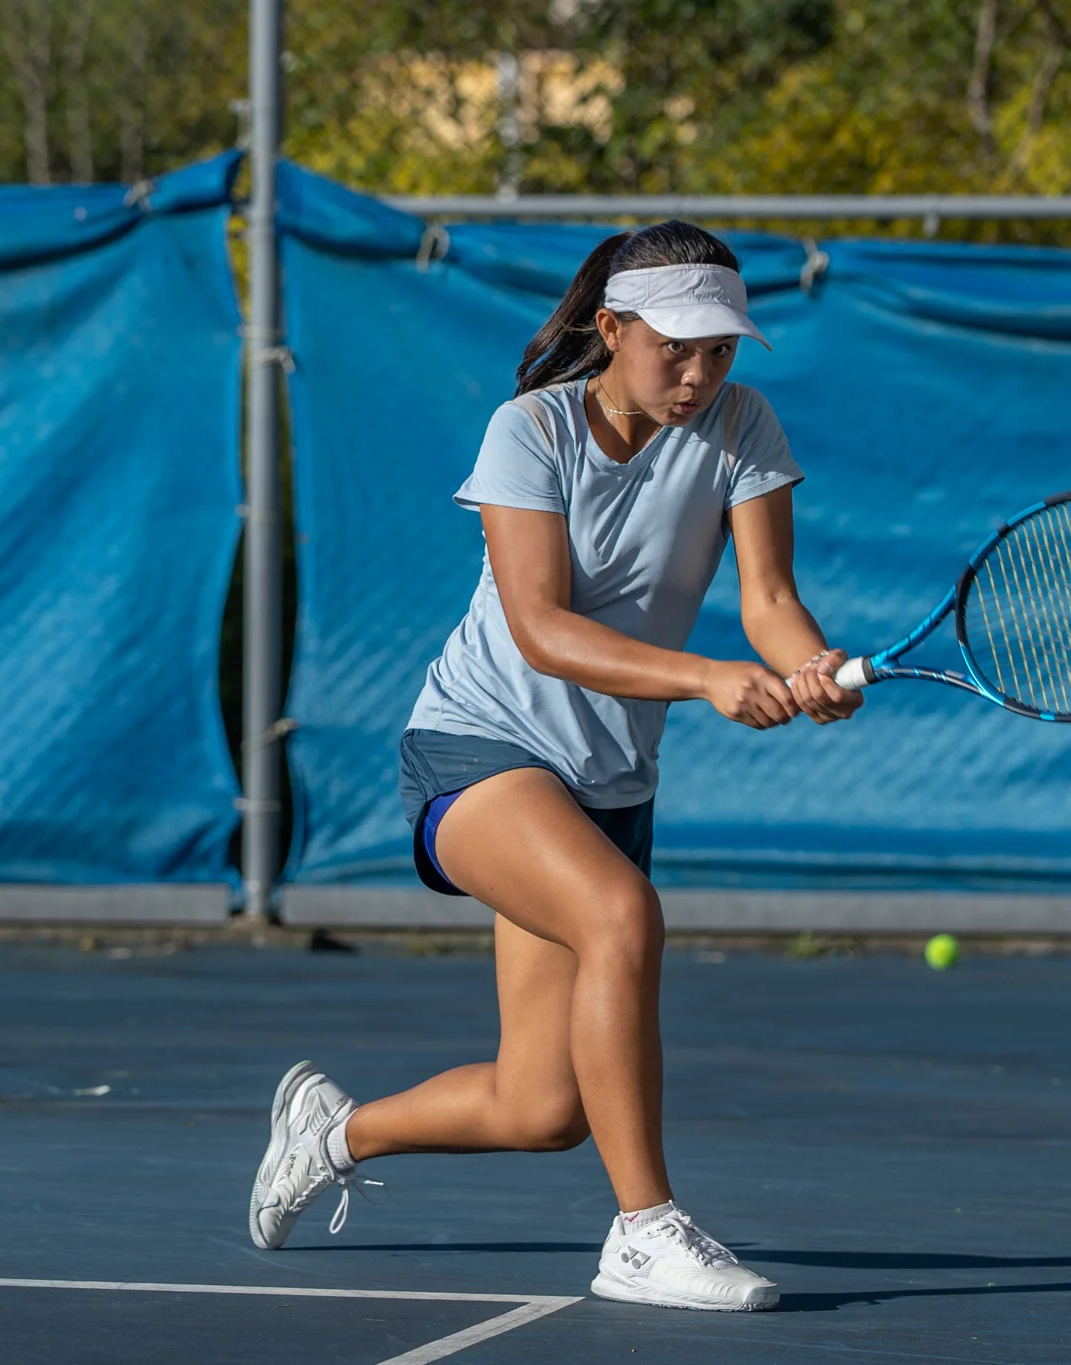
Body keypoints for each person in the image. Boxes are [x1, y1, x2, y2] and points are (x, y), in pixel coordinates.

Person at [246, 220, 859, 1312]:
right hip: (479, 745)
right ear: (611, 330)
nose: (699, 373)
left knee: (541, 1109)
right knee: (622, 916)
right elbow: (540, 627)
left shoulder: (743, 424)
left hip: (607, 779)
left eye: (719, 350)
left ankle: (332, 1133)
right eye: (675, 348)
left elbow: (769, 600)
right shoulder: (528, 430)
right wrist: (707, 678)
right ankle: (644, 1231)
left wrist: (805, 664)